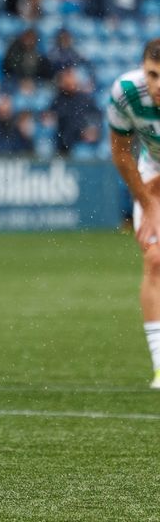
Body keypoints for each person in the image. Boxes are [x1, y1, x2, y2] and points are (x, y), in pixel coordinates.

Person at [108, 39, 160, 389]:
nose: (158, 85)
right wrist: (148, 202)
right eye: (152, 75)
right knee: (155, 260)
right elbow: (121, 153)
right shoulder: (126, 92)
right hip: (153, 168)